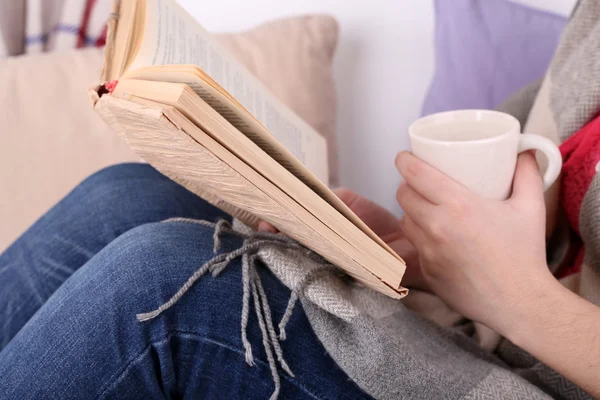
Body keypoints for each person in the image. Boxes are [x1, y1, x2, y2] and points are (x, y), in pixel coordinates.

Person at [0, 149, 599, 399]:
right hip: (492, 318)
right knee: (130, 192)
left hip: (534, 361)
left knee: (161, 281)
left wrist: (517, 298)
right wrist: (403, 253)